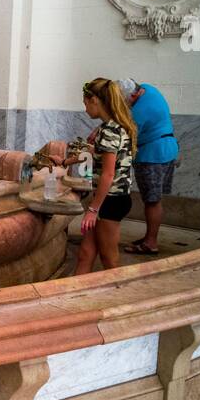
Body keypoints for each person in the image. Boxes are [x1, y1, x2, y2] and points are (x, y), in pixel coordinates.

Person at [65, 78, 137, 275]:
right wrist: (65, 162)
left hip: (111, 201)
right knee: (86, 253)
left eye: (86, 103)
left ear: (95, 100)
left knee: (109, 259)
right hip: (106, 200)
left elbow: (108, 174)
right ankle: (74, 296)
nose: (86, 109)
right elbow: (93, 152)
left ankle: (118, 298)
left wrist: (92, 210)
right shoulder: (113, 127)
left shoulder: (109, 131)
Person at [116, 78, 179, 255]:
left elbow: (123, 137)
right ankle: (150, 237)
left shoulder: (139, 112)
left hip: (153, 155)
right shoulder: (148, 89)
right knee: (154, 199)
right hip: (167, 149)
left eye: (124, 101)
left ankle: (150, 242)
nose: (123, 105)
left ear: (134, 95)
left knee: (152, 201)